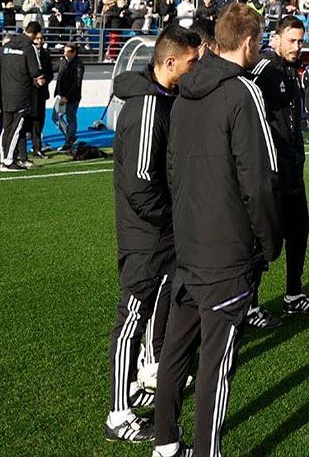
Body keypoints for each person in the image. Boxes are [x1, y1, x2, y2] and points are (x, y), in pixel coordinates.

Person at [154, 4, 282, 457]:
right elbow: (261, 179)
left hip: (188, 247)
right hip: (226, 254)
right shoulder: (242, 93)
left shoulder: (184, 94)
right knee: (215, 362)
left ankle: (165, 441)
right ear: (248, 43)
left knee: (176, 349)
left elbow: (171, 170)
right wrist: (270, 243)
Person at [105, 25, 202, 443]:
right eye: (191, 63)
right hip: (145, 235)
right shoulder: (147, 107)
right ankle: (118, 414)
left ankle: (149, 368)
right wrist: (177, 218)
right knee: (130, 319)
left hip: (163, 234)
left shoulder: (167, 98)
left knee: (161, 303)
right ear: (169, 63)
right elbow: (142, 183)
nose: (195, 69)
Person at [246, 17, 309, 330]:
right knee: (261, 241)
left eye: (300, 41)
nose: (296, 47)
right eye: (290, 40)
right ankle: (250, 306)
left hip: (294, 170)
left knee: (299, 230)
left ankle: (293, 294)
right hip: (272, 174)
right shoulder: (263, 68)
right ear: (276, 39)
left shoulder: (291, 72)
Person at [0, 21, 45, 171]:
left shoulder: (7, 46)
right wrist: (39, 78)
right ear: (35, 33)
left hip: (5, 93)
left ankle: (2, 158)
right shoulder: (28, 47)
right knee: (16, 128)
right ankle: (9, 161)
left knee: (6, 127)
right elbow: (35, 71)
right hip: (22, 94)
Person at [53, 43, 85, 150]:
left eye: (68, 52)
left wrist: (67, 97)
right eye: (64, 51)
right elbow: (53, 68)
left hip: (72, 97)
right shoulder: (63, 61)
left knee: (71, 118)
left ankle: (69, 141)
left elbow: (77, 83)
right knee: (55, 117)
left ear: (74, 53)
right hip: (60, 95)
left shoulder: (78, 65)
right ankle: (70, 137)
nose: (65, 54)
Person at [29, 33, 53, 158]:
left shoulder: (45, 53)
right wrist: (33, 80)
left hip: (41, 93)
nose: (40, 41)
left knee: (40, 119)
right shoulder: (27, 52)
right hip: (29, 93)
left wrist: (45, 80)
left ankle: (37, 147)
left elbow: (50, 72)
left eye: (41, 38)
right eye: (37, 38)